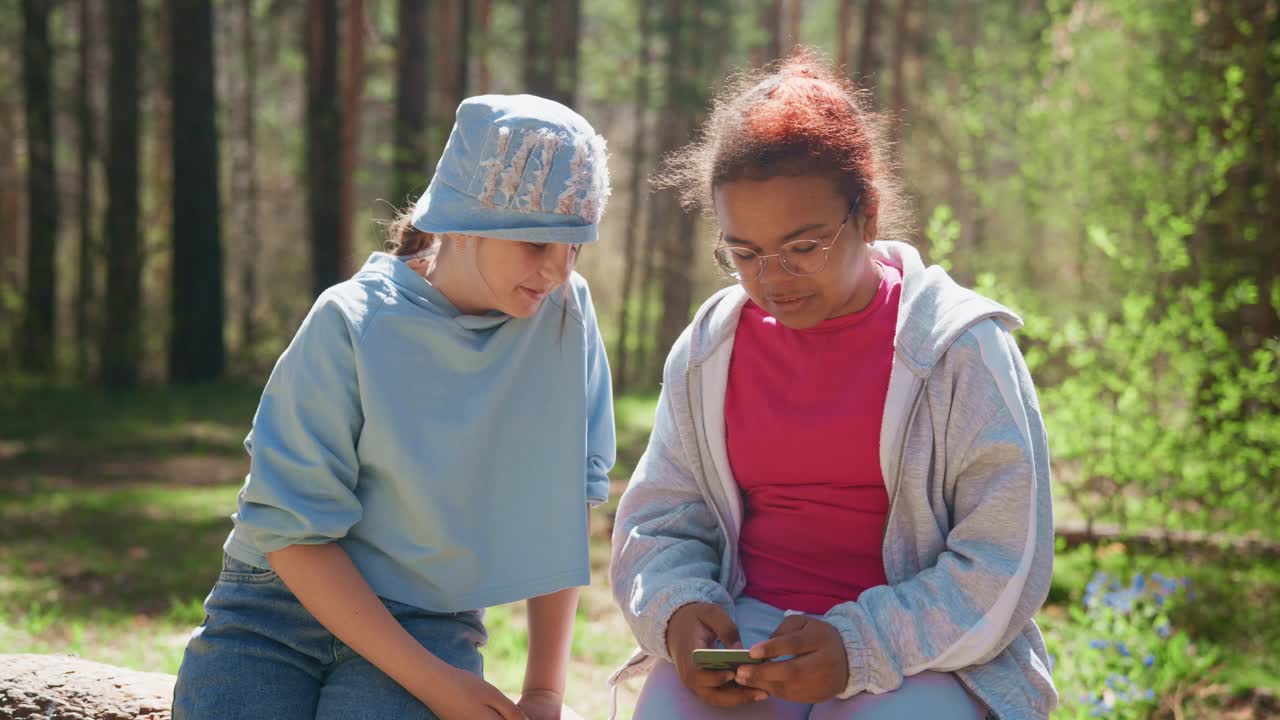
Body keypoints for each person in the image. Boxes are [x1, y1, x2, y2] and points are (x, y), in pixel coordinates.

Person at [609, 51, 1056, 720]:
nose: (772, 279)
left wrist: (858, 644)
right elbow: (660, 517)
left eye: (804, 246)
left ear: (868, 212)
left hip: (925, 651)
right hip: (751, 636)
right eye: (745, 253)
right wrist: (679, 611)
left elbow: (1002, 561)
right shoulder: (710, 350)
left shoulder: (961, 351)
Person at [173, 94, 615, 720]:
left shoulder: (564, 319)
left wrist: (544, 691)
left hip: (430, 619)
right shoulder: (353, 322)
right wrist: (436, 686)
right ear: (462, 219)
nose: (553, 271)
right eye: (535, 242)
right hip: (272, 615)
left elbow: (560, 503)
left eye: (574, 247)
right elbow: (291, 534)